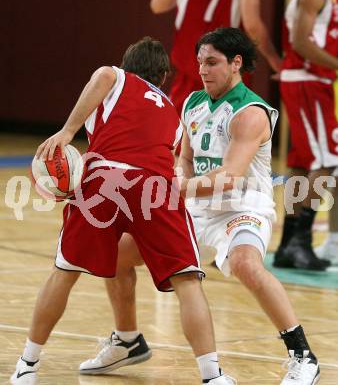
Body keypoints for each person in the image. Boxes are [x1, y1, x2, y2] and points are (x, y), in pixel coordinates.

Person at [80, 28, 321, 385]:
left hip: (242, 207)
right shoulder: (192, 103)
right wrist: (176, 180)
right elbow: (187, 160)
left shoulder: (251, 112)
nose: (203, 70)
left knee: (246, 264)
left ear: (236, 63)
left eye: (212, 62)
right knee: (114, 258)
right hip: (197, 209)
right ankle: (128, 340)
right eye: (199, 63)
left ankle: (303, 356)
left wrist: (174, 188)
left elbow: (230, 177)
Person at [10, 37, 236, 385]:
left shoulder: (115, 77)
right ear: (162, 76)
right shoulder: (173, 113)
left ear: (126, 65)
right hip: (158, 187)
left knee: (64, 273)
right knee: (187, 281)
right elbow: (161, 159)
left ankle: (27, 364)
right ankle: (212, 375)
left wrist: (68, 131)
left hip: (104, 180)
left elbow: (102, 75)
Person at [273, 0, 338, 270]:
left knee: (300, 164)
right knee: (326, 160)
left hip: (310, 81)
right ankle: (301, 241)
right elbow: (300, 41)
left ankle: (287, 243)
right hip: (308, 80)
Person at [150, 0, 282, 115]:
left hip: (190, 79)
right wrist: (274, 60)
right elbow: (252, 25)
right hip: (227, 81)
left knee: (180, 137)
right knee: (231, 136)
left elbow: (157, 5)